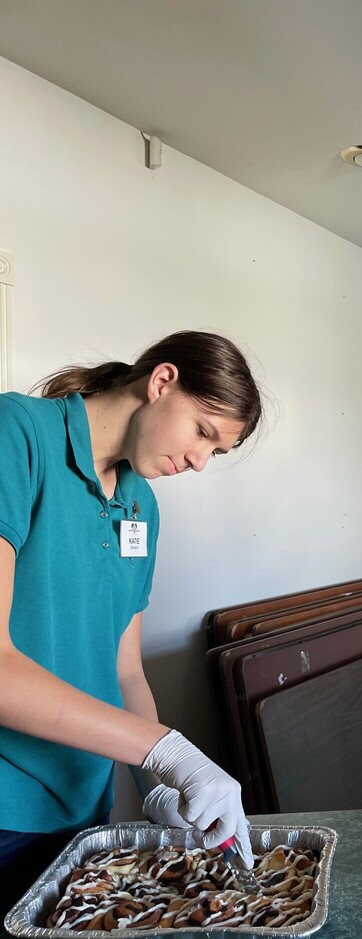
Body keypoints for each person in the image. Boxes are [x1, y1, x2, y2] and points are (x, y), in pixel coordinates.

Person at [0, 329, 262, 907]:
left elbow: (126, 674)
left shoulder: (141, 504)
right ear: (162, 381)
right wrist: (167, 751)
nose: (199, 462)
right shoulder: (16, 434)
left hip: (85, 811)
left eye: (216, 452)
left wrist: (157, 786)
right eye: (202, 432)